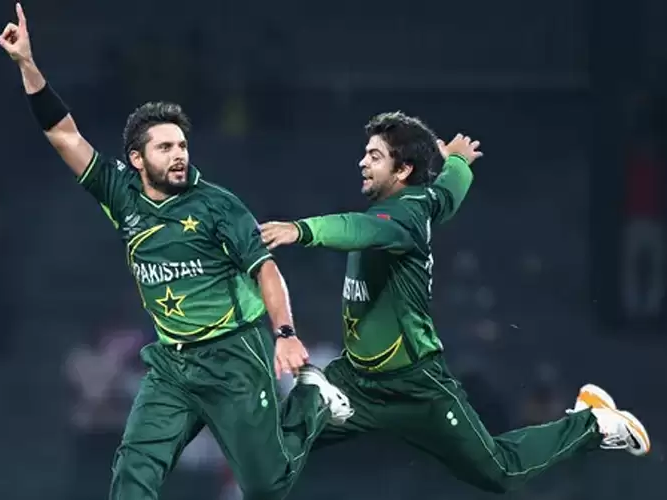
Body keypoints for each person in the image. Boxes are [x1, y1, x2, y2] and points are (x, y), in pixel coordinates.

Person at [0, 4, 352, 500]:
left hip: (233, 355)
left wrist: (285, 334)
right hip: (172, 362)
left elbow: (266, 269)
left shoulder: (219, 206)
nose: (179, 154)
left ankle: (313, 396)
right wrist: (27, 64)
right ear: (136, 159)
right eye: (165, 147)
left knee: (266, 486)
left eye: (182, 145)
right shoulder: (121, 194)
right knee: (134, 469)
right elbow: (63, 133)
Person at [260, 111, 651, 494]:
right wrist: (457, 162)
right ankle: (312, 397)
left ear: (403, 170)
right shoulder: (423, 200)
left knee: (501, 473)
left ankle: (595, 423)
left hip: (416, 387)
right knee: (269, 452)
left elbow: (357, 228)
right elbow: (448, 193)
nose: (362, 162)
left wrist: (301, 229)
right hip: (356, 382)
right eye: (365, 153)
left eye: (375, 156)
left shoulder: (402, 219)